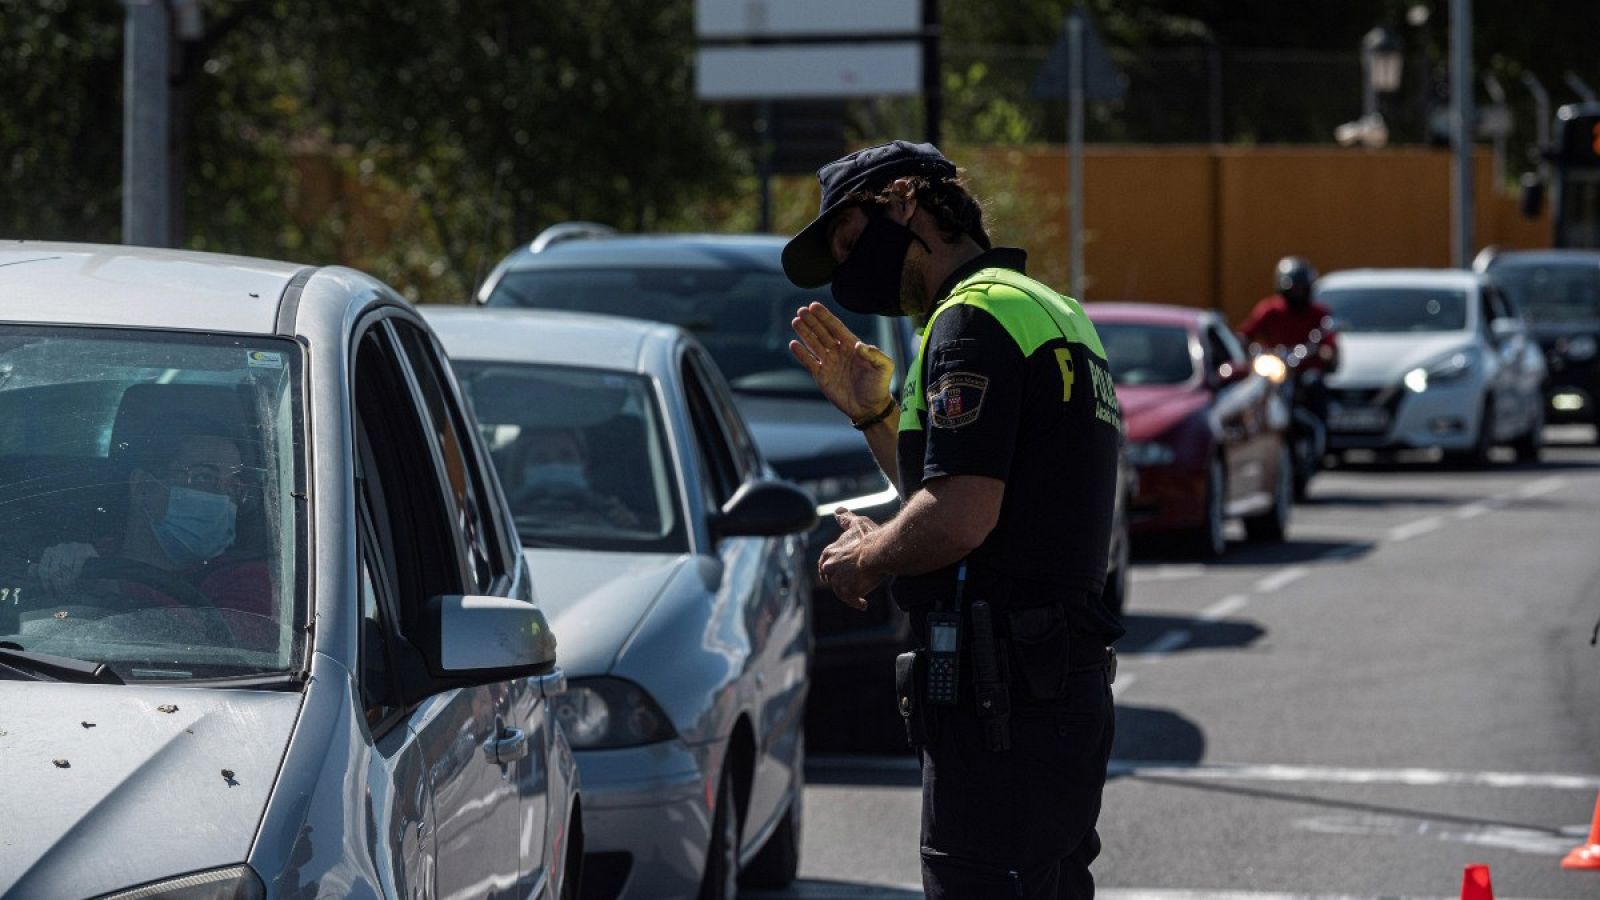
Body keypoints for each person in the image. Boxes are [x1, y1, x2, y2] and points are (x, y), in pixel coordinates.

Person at [783, 140, 1123, 898]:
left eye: (849, 241)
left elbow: (960, 517)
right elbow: (955, 493)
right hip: (1055, 693)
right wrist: (875, 411)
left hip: (1002, 706)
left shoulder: (969, 321)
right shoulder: (1050, 309)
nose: (848, 272)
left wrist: (864, 560)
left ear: (905, 203)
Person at [36, 416, 274, 643]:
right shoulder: (90, 560)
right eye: (203, 477)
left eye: (233, 486)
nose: (223, 497)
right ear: (142, 487)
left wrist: (113, 588)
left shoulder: (247, 579)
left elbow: (222, 647)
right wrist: (60, 569)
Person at [505, 425, 639, 529]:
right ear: (522, 469)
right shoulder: (503, 520)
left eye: (566, 456)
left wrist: (626, 525)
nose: (555, 466)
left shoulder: (606, 514)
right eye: (541, 459)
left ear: (584, 464)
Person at [1240, 256, 1340, 372]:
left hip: (1306, 370)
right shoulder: (1271, 310)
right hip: (1276, 368)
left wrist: (1325, 352)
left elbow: (1328, 341)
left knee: (1313, 381)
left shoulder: (1319, 314)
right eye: (1294, 290)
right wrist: (1245, 345)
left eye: (1302, 289)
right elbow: (1246, 333)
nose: (1297, 294)